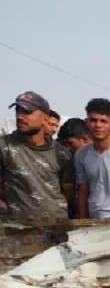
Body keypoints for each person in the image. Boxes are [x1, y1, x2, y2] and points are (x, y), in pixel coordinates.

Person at [0, 91, 74, 220]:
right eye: (18, 111)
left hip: (56, 227)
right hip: (17, 229)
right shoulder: (4, 146)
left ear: (45, 119)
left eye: (27, 112)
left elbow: (68, 190)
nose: (20, 116)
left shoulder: (61, 153)